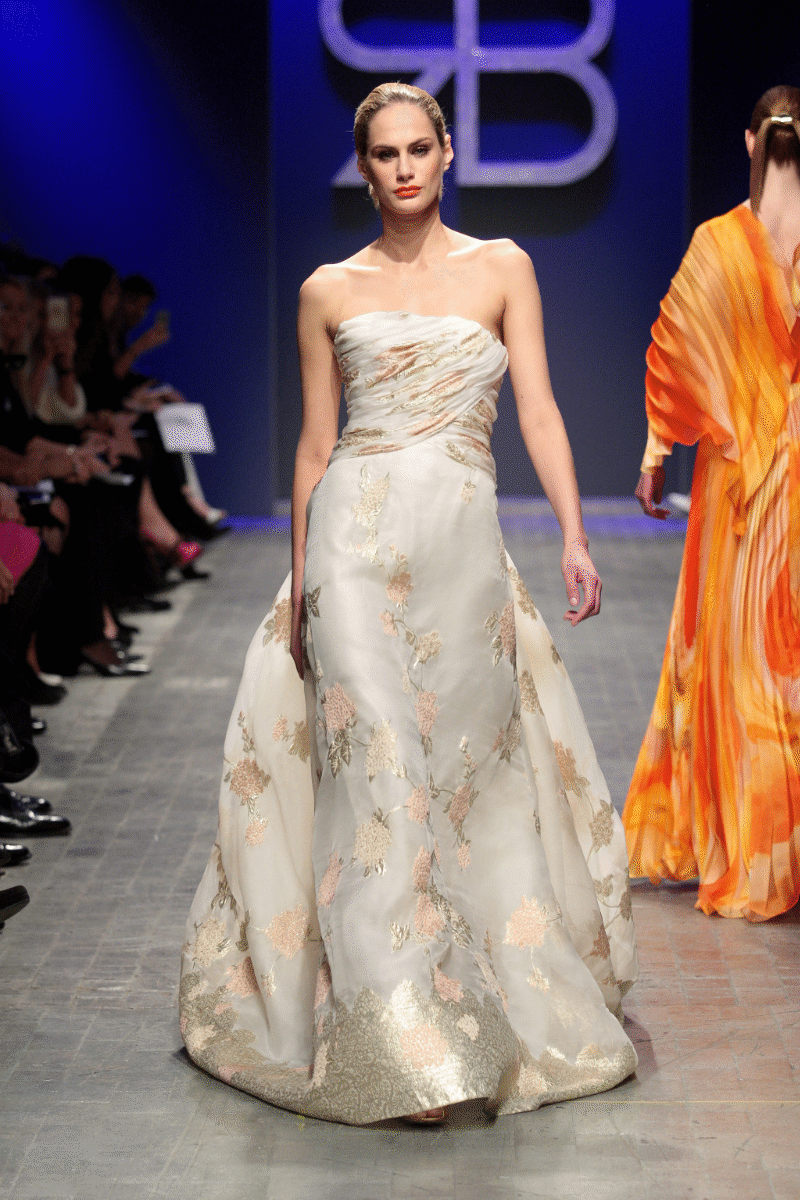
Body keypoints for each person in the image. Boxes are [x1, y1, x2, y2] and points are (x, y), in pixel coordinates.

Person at [180, 83, 637, 1125]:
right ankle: (399, 1038)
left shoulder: (505, 267)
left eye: (417, 149)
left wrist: (573, 535)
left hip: (461, 552)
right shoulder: (326, 291)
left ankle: (476, 1000)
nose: (402, 168)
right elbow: (313, 447)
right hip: (351, 543)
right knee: (380, 774)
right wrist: (303, 579)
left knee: (464, 779)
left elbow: (538, 411)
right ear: (364, 166)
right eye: (383, 153)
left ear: (446, 153)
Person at [624, 86, 800, 922]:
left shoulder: (718, 242)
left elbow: (675, 355)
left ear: (751, 142)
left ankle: (755, 852)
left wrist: (656, 454)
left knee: (741, 665)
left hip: (741, 486)